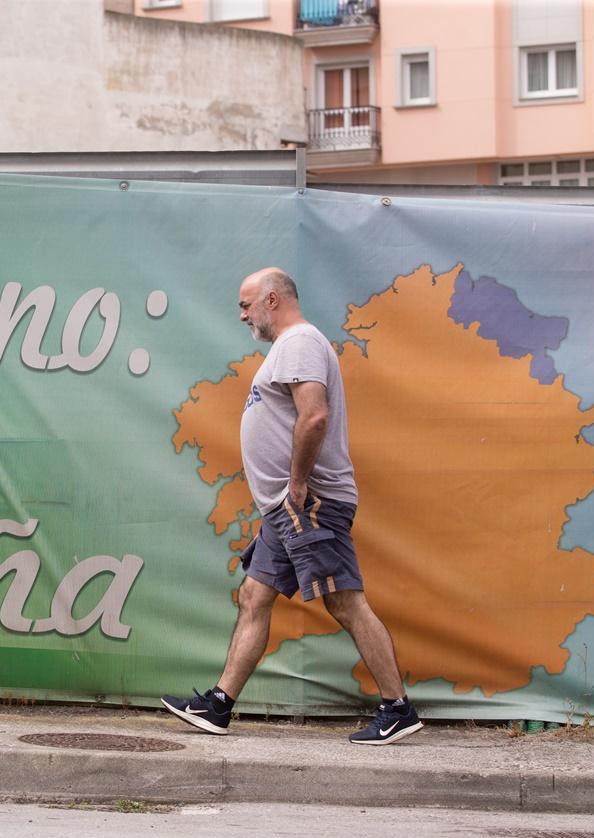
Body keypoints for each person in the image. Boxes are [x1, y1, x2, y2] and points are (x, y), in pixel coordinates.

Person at [162, 267, 422, 746]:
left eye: (247, 305)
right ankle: (219, 705)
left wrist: (298, 486)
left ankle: (398, 708)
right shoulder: (288, 348)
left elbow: (314, 416)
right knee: (254, 598)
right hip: (285, 509)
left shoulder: (300, 342)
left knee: (344, 601)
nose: (242, 315)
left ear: (273, 299)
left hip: (309, 503)